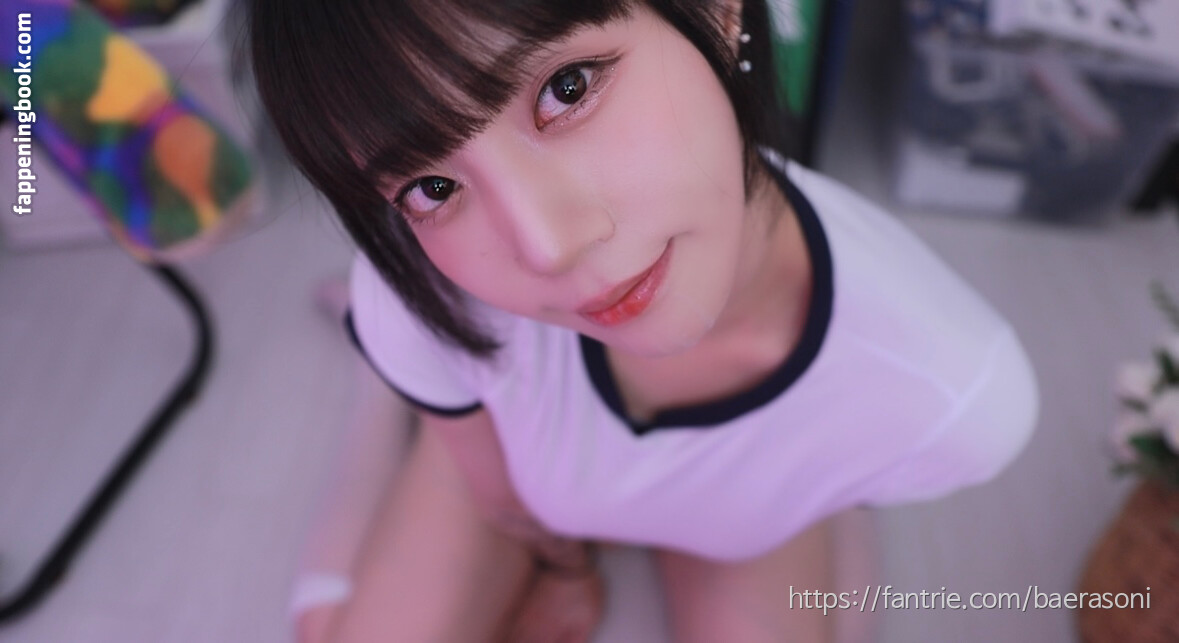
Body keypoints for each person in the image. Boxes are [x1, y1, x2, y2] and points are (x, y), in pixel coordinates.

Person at [248, 1, 1040, 641]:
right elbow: (504, 500)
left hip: (740, 513)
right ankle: (386, 382)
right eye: (430, 187)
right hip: (504, 430)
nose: (548, 245)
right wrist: (565, 569)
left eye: (566, 89)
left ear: (717, 10)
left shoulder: (952, 397)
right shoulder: (428, 287)